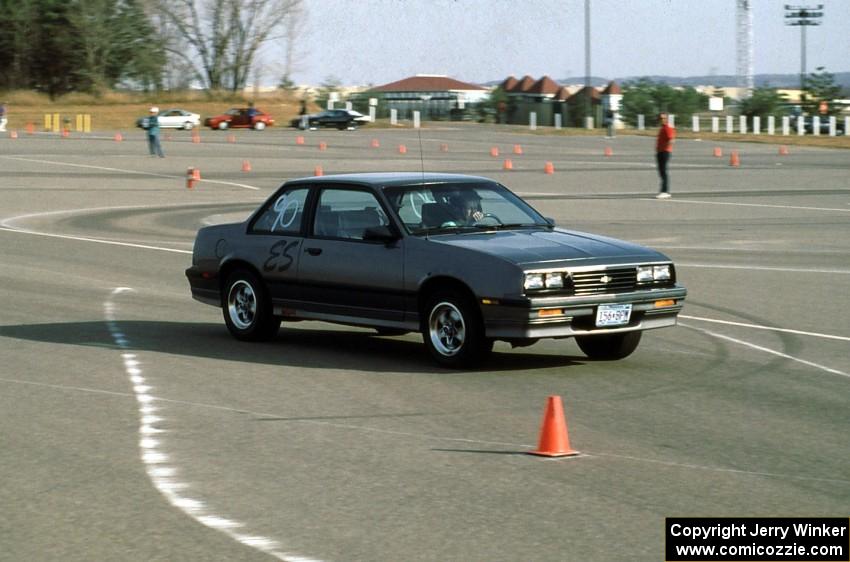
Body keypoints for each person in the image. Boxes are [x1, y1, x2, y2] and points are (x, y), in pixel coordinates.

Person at [655, 112, 675, 199]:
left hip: (664, 152)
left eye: (663, 118)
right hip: (660, 152)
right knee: (661, 171)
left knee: (663, 171)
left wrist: (667, 147)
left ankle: (665, 191)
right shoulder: (662, 128)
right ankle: (663, 190)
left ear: (666, 119)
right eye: (660, 118)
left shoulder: (667, 128)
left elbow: (671, 139)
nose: (662, 120)